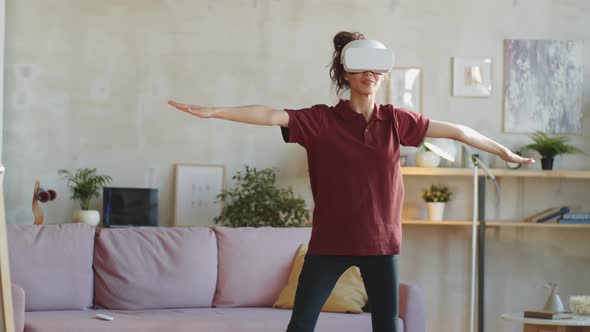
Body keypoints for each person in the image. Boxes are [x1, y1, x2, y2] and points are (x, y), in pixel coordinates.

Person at [168, 31, 534, 332]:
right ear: (345, 73)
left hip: (381, 242)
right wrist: (214, 112)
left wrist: (503, 152)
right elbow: (269, 114)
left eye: (376, 69)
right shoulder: (321, 121)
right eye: (360, 68)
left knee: (387, 326)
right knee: (300, 326)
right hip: (329, 242)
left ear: (383, 75)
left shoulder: (396, 121)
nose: (369, 74)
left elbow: (456, 130)